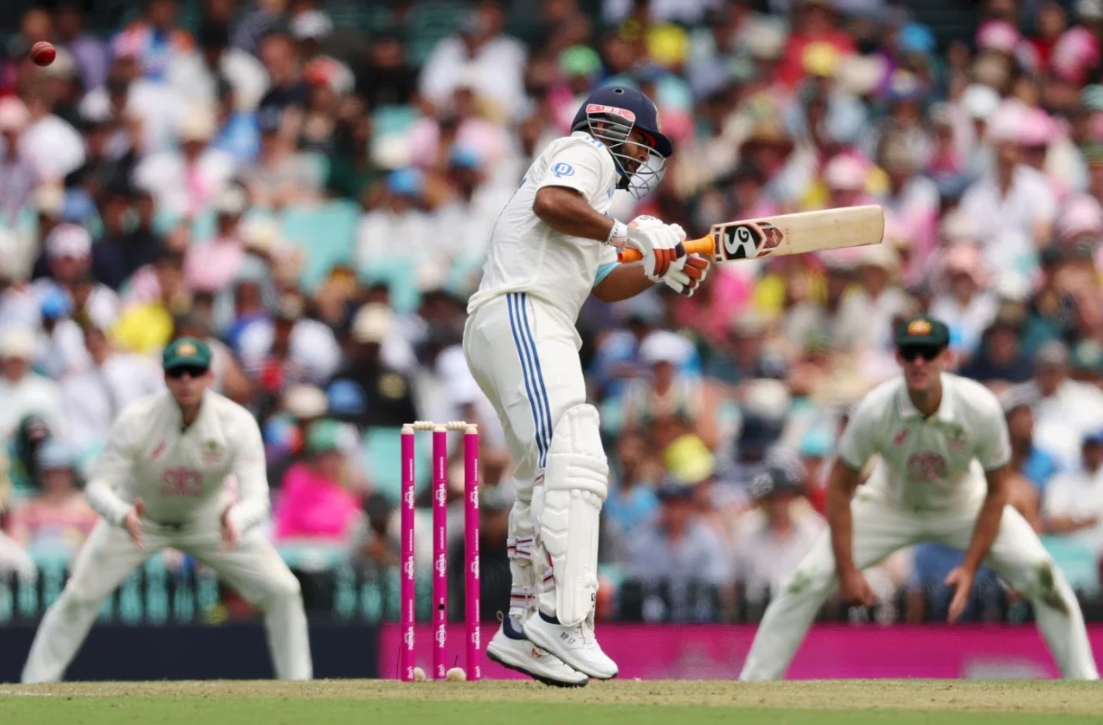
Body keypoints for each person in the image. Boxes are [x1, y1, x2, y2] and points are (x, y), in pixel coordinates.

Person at [462, 85, 710, 686]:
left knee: (540, 478)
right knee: (576, 457)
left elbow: (604, 283)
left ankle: (524, 630)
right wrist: (630, 235)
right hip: (525, 310)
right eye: (642, 143)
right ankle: (563, 617)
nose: (644, 158)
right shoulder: (586, 150)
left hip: (520, 321)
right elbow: (552, 202)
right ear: (615, 127)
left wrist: (659, 265)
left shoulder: (592, 200)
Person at [739, 315, 1098, 681]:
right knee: (803, 582)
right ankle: (751, 690)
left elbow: (997, 490)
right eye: (911, 354)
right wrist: (847, 572)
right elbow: (840, 486)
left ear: (946, 357)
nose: (919, 363)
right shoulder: (876, 408)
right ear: (898, 358)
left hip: (965, 505)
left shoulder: (979, 407)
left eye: (928, 353)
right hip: (889, 505)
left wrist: (971, 565)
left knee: (1044, 577)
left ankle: (1085, 687)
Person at [21, 338, 312, 683]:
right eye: (177, 372)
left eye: (194, 372)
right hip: (140, 520)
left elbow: (257, 498)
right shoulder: (138, 419)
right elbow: (99, 487)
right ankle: (34, 687)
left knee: (284, 590)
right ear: (165, 377)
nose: (186, 380)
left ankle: (299, 686)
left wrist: (236, 519)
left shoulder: (236, 422)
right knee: (78, 595)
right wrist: (121, 515)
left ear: (209, 376)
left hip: (211, 520)